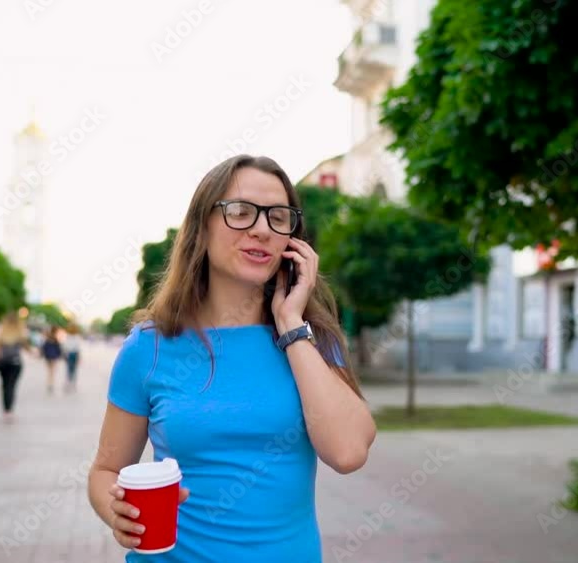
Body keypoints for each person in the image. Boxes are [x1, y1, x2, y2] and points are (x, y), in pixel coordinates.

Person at [87, 155, 377, 561]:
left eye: (279, 217)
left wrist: (291, 323)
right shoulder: (148, 347)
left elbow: (348, 453)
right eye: (240, 212)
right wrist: (115, 510)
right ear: (201, 228)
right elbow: (106, 471)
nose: (262, 229)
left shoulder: (309, 341)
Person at [0, 312, 29, 422]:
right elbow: (27, 347)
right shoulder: (20, 333)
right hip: (15, 363)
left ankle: (6, 410)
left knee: (4, 386)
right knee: (11, 386)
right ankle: (9, 411)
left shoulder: (2, 333)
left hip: (3, 363)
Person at [40, 326, 63, 394]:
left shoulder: (47, 338)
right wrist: (60, 355)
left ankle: (49, 383)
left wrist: (42, 354)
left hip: (47, 357)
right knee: (52, 371)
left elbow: (44, 347)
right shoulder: (55, 339)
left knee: (49, 371)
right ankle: (51, 384)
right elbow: (58, 349)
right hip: (54, 357)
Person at [63, 323, 82, 393]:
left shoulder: (67, 336)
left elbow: (65, 346)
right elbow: (78, 348)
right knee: (74, 370)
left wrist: (65, 354)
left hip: (68, 354)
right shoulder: (77, 337)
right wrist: (79, 357)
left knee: (68, 369)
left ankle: (68, 383)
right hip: (75, 354)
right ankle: (73, 384)